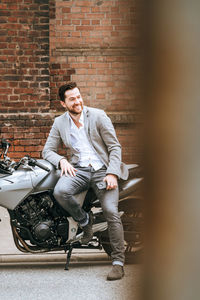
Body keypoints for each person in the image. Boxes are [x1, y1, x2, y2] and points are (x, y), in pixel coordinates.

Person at [42, 82, 129, 280]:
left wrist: (112, 173)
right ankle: (85, 220)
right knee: (60, 192)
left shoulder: (98, 115)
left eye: (78, 97)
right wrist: (61, 160)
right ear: (63, 103)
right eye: (72, 99)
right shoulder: (60, 122)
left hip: (102, 171)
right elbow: (47, 150)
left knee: (110, 211)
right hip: (79, 170)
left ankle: (118, 262)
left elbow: (115, 147)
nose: (77, 101)